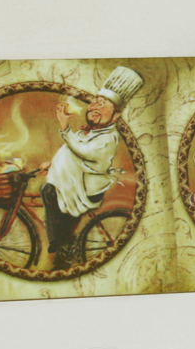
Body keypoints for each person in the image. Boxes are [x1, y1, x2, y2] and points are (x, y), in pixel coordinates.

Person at [38, 65, 143, 269]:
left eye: (102, 105)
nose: (95, 108)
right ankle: (61, 242)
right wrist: (53, 163)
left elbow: (83, 152)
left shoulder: (108, 138)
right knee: (49, 192)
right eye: (94, 103)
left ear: (115, 116)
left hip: (85, 190)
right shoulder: (90, 131)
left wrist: (64, 126)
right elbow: (70, 152)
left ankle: (63, 245)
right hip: (74, 183)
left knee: (49, 192)